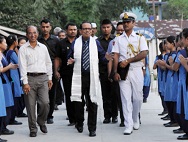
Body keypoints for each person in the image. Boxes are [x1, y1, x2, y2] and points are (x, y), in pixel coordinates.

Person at [67, 21, 112, 137]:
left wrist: (106, 58)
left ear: (92, 31)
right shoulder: (76, 43)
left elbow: (102, 57)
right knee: (78, 102)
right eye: (84, 29)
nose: (87, 30)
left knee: (92, 102)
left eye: (89, 29)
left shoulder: (95, 43)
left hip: (91, 76)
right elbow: (70, 56)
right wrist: (70, 60)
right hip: (79, 76)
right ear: (80, 31)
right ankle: (80, 122)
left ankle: (92, 128)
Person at [113, 12, 148, 135]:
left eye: (128, 22)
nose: (126, 24)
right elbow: (116, 56)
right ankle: (128, 124)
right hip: (123, 71)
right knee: (125, 98)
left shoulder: (140, 37)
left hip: (136, 69)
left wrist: (129, 60)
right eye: (124, 22)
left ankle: (135, 118)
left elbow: (144, 53)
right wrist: (115, 71)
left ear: (133, 23)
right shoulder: (118, 39)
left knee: (138, 98)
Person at [18, 25, 53, 137]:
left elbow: (48, 63)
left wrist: (50, 77)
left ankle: (41, 121)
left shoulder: (43, 47)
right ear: (27, 35)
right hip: (29, 79)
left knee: (45, 103)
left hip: (43, 78)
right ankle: (33, 129)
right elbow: (22, 66)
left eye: (34, 32)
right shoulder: (23, 49)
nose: (32, 35)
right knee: (30, 106)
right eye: (30, 33)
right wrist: (25, 82)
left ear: (38, 33)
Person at [54, 22, 77, 126]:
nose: (72, 31)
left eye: (74, 29)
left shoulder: (80, 42)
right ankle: (72, 119)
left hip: (79, 73)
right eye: (70, 29)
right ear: (67, 31)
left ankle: (79, 117)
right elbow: (57, 58)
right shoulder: (61, 43)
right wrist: (56, 71)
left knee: (78, 95)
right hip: (66, 73)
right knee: (68, 95)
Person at [38, 18, 59, 124]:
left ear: (50, 28)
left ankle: (50, 115)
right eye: (43, 27)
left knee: (52, 93)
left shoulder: (56, 40)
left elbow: (58, 57)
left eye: (47, 27)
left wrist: (57, 71)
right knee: (40, 94)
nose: (45, 29)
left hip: (52, 69)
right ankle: (41, 115)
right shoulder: (37, 39)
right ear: (40, 28)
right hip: (39, 69)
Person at [97, 19, 117, 124]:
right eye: (104, 27)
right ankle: (107, 116)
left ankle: (115, 115)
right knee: (105, 94)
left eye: (108, 27)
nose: (106, 29)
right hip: (102, 70)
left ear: (111, 28)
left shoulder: (115, 39)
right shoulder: (97, 41)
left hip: (114, 70)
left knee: (114, 94)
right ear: (101, 28)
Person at [107, 21, 125, 127]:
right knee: (120, 97)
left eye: (122, 30)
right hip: (117, 71)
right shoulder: (113, 42)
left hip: (130, 71)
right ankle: (123, 119)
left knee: (134, 97)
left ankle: (136, 117)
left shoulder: (135, 39)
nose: (120, 32)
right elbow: (110, 58)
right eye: (118, 30)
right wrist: (111, 73)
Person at [0, 36, 18, 136]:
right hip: (3, 81)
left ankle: (4, 126)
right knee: (4, 105)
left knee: (7, 105)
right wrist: (10, 66)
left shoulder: (3, 54)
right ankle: (2, 127)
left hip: (5, 81)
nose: (6, 44)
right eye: (4, 42)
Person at [5, 35, 23, 125]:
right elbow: (19, 63)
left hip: (13, 76)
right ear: (15, 42)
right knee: (15, 98)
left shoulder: (8, 52)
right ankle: (12, 118)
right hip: (14, 77)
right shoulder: (12, 52)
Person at [153, 42, 168, 116]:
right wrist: (157, 63)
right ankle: (165, 109)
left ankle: (167, 110)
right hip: (161, 77)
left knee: (167, 93)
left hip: (166, 77)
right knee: (161, 93)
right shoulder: (158, 57)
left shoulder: (168, 55)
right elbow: (154, 67)